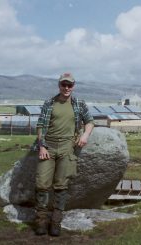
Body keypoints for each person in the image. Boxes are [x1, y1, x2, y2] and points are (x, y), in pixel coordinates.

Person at [34, 72, 94, 236]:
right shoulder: (49, 103)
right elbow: (40, 126)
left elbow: (89, 122)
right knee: (42, 184)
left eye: (70, 85)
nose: (66, 88)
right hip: (49, 147)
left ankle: (55, 223)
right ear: (59, 85)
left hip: (68, 147)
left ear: (74, 86)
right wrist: (42, 146)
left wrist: (85, 135)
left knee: (61, 186)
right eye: (64, 84)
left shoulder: (79, 104)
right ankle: (40, 221)